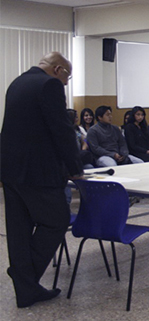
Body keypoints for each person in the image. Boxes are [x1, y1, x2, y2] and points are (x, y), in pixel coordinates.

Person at [1, 52, 83, 308]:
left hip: (11, 170)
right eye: (67, 77)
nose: (67, 83)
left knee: (18, 229)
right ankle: (24, 277)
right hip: (38, 171)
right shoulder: (49, 84)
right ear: (57, 69)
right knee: (57, 220)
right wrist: (75, 168)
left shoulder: (17, 82)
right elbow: (60, 129)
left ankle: (26, 290)